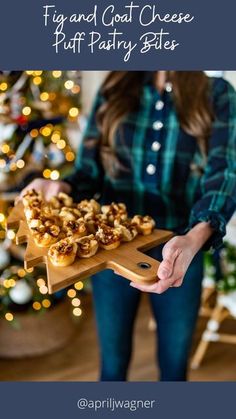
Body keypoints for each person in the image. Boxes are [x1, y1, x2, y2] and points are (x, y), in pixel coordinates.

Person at [19, 71, 236, 381]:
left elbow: (224, 176)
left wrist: (195, 238)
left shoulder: (217, 93)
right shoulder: (116, 84)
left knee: (175, 368)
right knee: (112, 364)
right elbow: (88, 172)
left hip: (181, 248)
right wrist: (61, 187)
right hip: (110, 245)